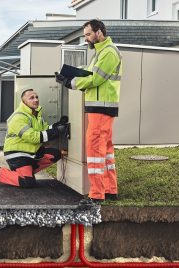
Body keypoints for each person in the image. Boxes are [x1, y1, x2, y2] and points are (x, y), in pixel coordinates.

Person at [55, 19, 122, 210]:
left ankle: (96, 194)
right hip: (101, 108)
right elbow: (87, 73)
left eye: (88, 34)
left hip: (100, 109)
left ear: (99, 32)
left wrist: (71, 83)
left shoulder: (108, 52)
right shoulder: (101, 52)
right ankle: (110, 190)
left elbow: (95, 79)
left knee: (95, 151)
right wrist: (68, 77)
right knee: (106, 152)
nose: (86, 39)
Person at [0, 89, 68, 188]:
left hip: (31, 153)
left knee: (55, 154)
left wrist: (56, 126)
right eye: (31, 98)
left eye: (36, 97)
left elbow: (44, 129)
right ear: (24, 101)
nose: (35, 100)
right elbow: (32, 137)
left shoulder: (36, 115)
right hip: (17, 154)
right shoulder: (18, 117)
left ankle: (24, 172)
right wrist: (56, 131)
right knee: (28, 182)